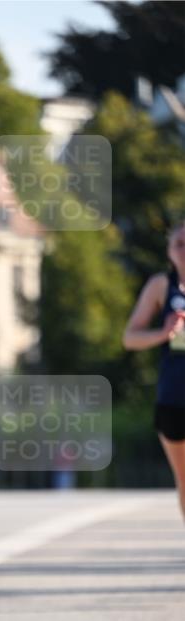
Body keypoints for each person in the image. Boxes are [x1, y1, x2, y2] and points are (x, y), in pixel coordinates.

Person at [123, 221, 185, 519]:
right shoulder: (161, 286)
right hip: (173, 396)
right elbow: (130, 338)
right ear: (169, 251)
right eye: (179, 245)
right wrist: (164, 333)